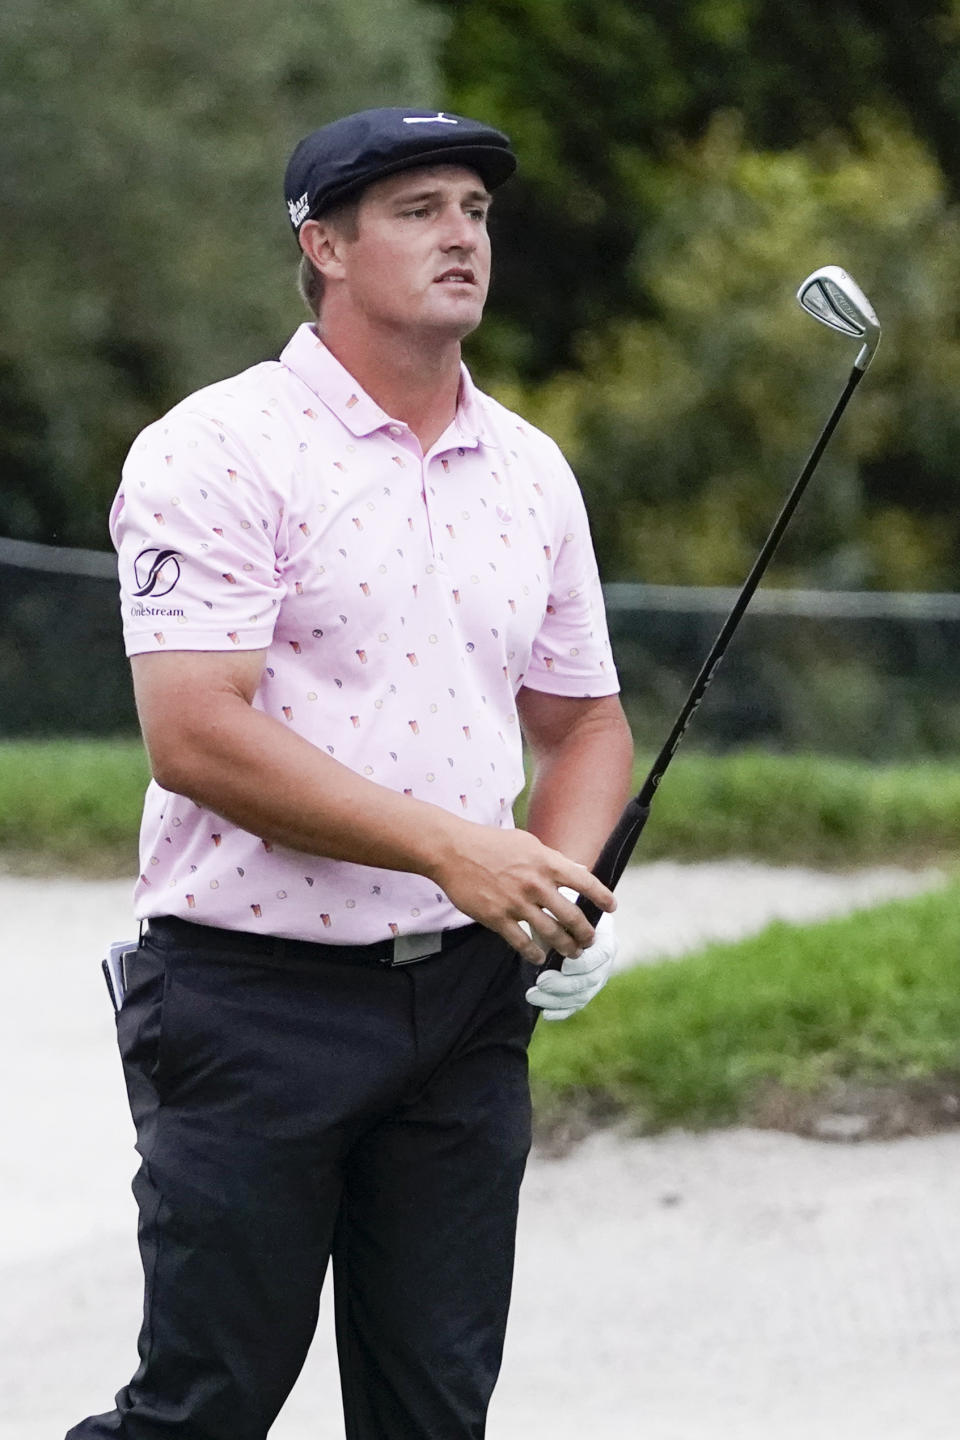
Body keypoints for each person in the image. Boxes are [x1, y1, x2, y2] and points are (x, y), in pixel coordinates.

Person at [66, 107, 634, 1440]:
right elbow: (194, 730)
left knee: (432, 1414)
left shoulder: (531, 470)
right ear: (322, 244)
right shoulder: (217, 449)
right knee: (204, 1408)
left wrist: (564, 884)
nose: (461, 237)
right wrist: (458, 846)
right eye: (419, 209)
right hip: (251, 1001)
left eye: (477, 212)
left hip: (465, 1011)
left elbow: (589, 724)